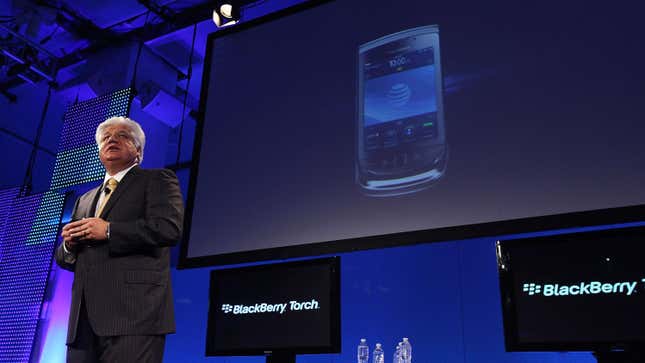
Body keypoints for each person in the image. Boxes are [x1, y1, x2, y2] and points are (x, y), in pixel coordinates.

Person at [55, 116, 184, 362]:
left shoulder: (158, 180)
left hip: (135, 315)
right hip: (83, 321)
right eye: (105, 138)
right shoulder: (84, 199)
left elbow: (168, 229)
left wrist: (109, 231)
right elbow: (66, 259)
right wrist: (69, 246)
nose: (112, 139)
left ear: (138, 150)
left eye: (122, 135)